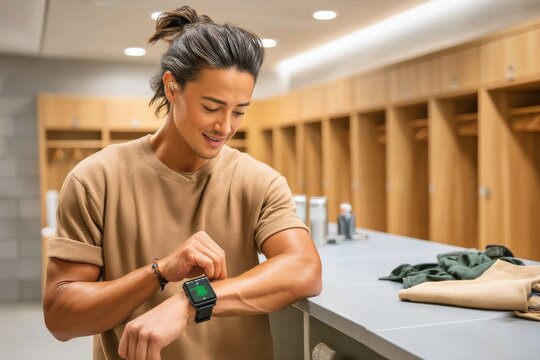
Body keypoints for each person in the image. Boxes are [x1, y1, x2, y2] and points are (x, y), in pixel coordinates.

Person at [43, 6, 322, 360]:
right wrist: (159, 272)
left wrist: (192, 300)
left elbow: (305, 269)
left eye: (239, 111)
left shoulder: (259, 181)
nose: (225, 126)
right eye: (212, 106)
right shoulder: (95, 179)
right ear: (172, 88)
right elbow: (61, 317)